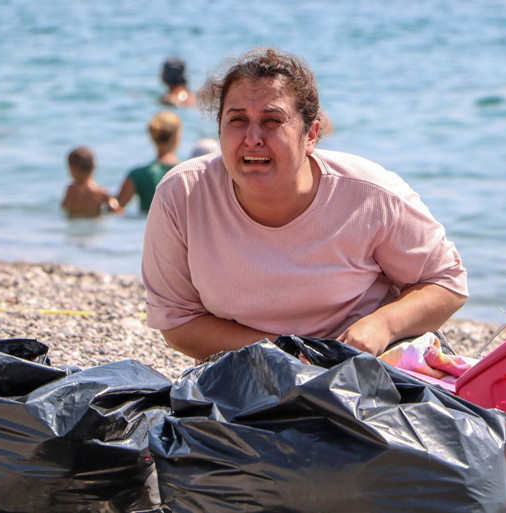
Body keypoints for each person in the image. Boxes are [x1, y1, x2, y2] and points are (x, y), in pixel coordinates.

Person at [142, 47, 468, 361]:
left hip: (365, 367)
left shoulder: (372, 195)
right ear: (219, 130)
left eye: (272, 121)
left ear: (311, 135)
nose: (253, 137)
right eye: (237, 120)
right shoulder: (182, 195)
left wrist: (382, 325)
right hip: (244, 372)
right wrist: (286, 356)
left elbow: (446, 281)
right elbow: (177, 320)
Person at [115, 111, 182, 213]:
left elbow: (115, 208)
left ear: (153, 138)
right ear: (176, 138)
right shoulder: (189, 172)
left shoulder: (137, 175)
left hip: (145, 227)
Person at [61, 146, 121, 218]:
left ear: (72, 169)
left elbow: (64, 206)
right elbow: (115, 208)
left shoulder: (71, 189)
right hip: (93, 223)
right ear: (94, 166)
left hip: (74, 223)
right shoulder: (101, 191)